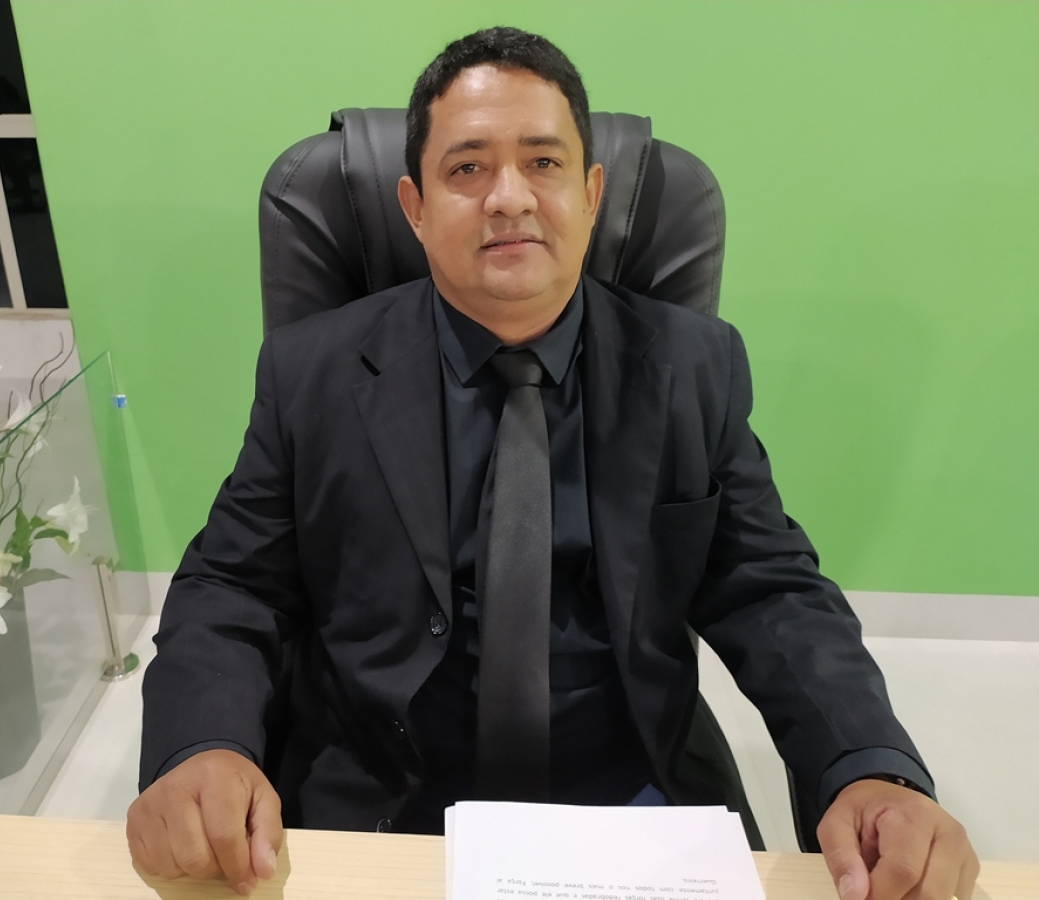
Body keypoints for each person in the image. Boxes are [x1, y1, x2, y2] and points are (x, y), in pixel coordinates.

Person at [128, 27, 978, 900]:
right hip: (386, 794)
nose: (509, 198)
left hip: (630, 793)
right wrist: (201, 745)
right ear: (414, 207)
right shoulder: (312, 372)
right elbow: (234, 585)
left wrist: (868, 765)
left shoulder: (692, 365)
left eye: (543, 163)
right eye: (467, 168)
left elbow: (769, 588)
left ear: (592, 193)